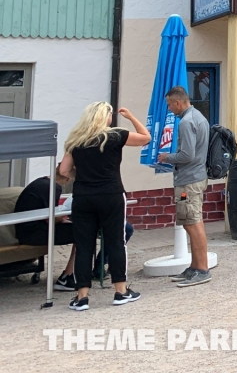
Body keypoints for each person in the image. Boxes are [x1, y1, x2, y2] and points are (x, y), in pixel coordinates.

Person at [58, 102, 151, 310]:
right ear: (105, 117)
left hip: (83, 197)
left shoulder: (76, 141)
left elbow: (64, 170)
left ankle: (81, 297)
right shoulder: (116, 136)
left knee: (84, 246)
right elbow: (145, 137)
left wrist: (80, 174)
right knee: (116, 242)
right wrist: (131, 117)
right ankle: (120, 291)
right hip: (111, 195)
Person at [14, 174, 136, 290]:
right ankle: (68, 275)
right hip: (34, 232)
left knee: (84, 229)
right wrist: (63, 218)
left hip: (27, 229)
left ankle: (76, 273)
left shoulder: (42, 182)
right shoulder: (53, 187)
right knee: (84, 231)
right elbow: (51, 218)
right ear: (68, 178)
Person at [157, 86, 212, 288]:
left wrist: (166, 157)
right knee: (191, 221)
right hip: (194, 178)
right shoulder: (198, 117)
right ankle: (195, 266)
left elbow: (187, 155)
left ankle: (202, 269)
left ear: (178, 102)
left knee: (192, 222)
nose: (170, 109)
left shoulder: (187, 122)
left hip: (188, 180)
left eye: (170, 104)